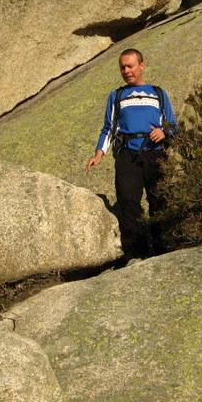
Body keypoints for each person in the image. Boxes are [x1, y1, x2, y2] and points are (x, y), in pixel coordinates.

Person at [85, 48, 177, 258]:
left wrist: (163, 132)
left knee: (160, 200)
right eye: (122, 67)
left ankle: (164, 250)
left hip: (155, 154)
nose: (126, 71)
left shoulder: (158, 93)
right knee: (128, 203)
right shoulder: (116, 95)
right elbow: (108, 128)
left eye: (130, 66)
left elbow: (173, 125)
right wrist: (98, 154)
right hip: (127, 155)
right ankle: (136, 255)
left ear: (141, 66)